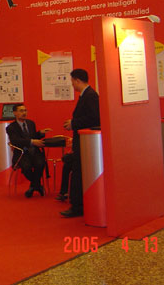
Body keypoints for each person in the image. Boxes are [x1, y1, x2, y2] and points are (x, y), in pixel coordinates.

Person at [61, 69, 100, 218]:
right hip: (82, 140)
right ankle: (77, 204)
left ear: (77, 80)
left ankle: (77, 206)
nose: (72, 85)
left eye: (72, 82)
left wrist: (74, 123)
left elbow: (94, 118)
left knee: (78, 171)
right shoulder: (86, 95)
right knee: (76, 170)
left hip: (86, 141)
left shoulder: (90, 96)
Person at [6, 104, 52, 198]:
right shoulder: (11, 127)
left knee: (40, 163)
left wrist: (40, 133)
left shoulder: (31, 123)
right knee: (26, 167)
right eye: (21, 111)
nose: (24, 113)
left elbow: (33, 136)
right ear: (15, 113)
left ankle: (33, 186)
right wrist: (32, 142)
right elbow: (16, 141)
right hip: (22, 153)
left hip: (34, 151)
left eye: (25, 110)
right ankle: (37, 185)